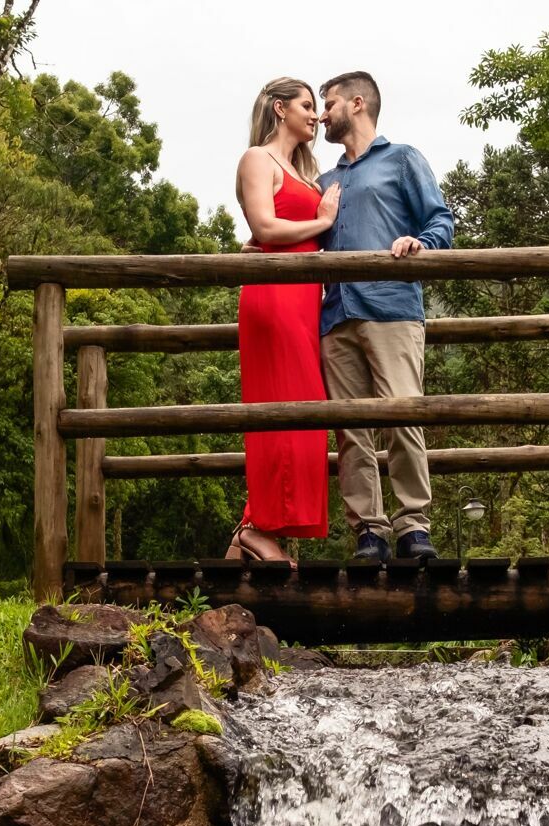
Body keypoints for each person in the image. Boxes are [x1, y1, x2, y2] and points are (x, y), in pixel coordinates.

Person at [315, 71, 455, 562]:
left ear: (357, 104)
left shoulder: (402, 158)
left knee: (402, 415)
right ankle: (368, 530)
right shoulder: (325, 180)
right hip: (335, 316)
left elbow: (441, 219)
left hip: (392, 306)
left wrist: (423, 242)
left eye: (328, 103)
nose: (320, 113)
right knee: (351, 429)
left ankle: (414, 524)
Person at [228, 77, 339, 561]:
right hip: (273, 301)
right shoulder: (258, 159)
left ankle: (256, 534)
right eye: (307, 105)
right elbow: (264, 227)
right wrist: (323, 221)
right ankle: (256, 527)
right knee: (279, 412)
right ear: (280, 109)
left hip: (303, 304)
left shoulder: (303, 172)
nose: (315, 115)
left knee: (306, 417)